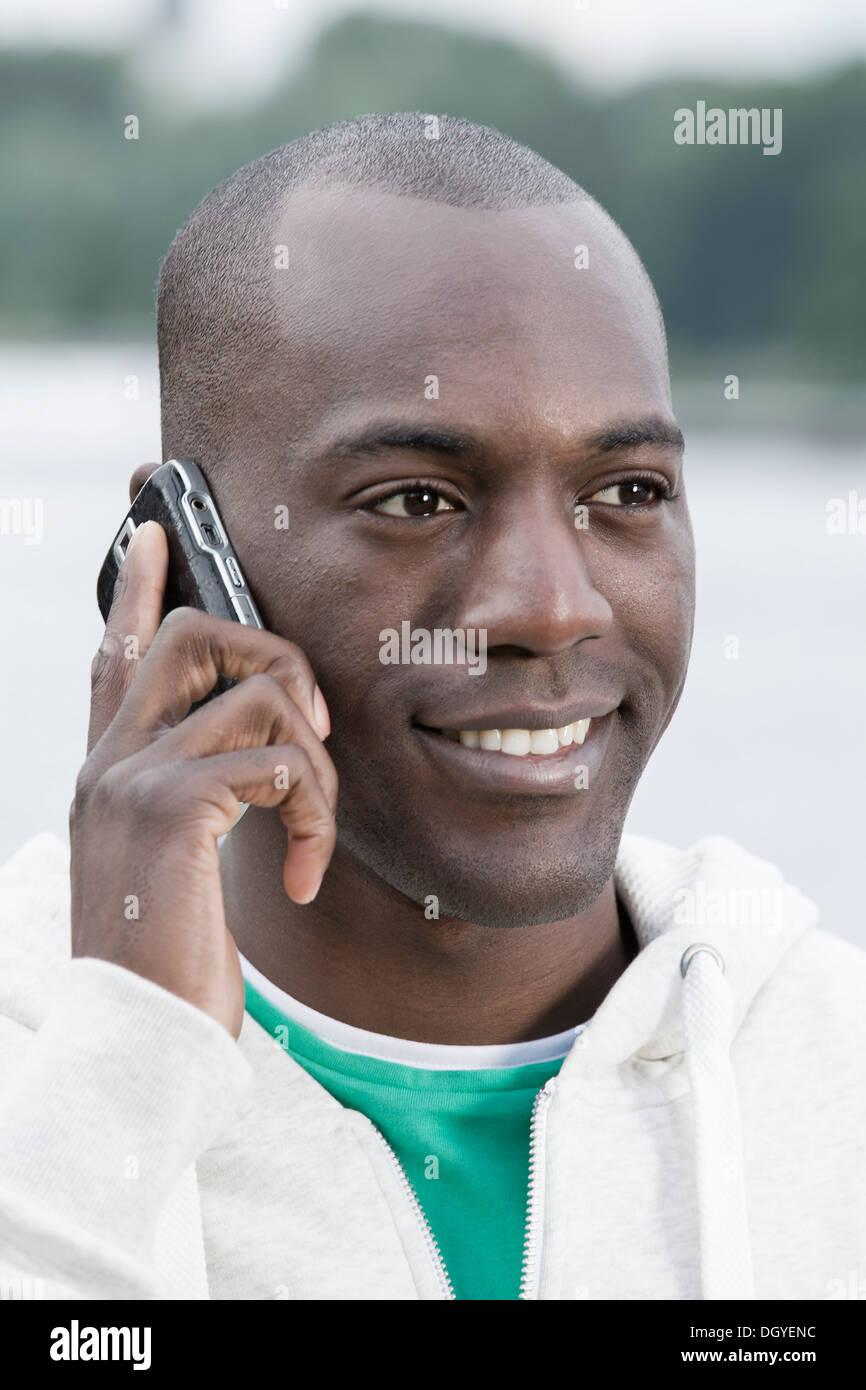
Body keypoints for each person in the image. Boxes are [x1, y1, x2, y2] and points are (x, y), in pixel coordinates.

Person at [0, 113, 863, 1302]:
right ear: (181, 554)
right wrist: (126, 1058)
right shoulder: (39, 1052)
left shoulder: (833, 1063)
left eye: (625, 491)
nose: (553, 610)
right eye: (415, 498)